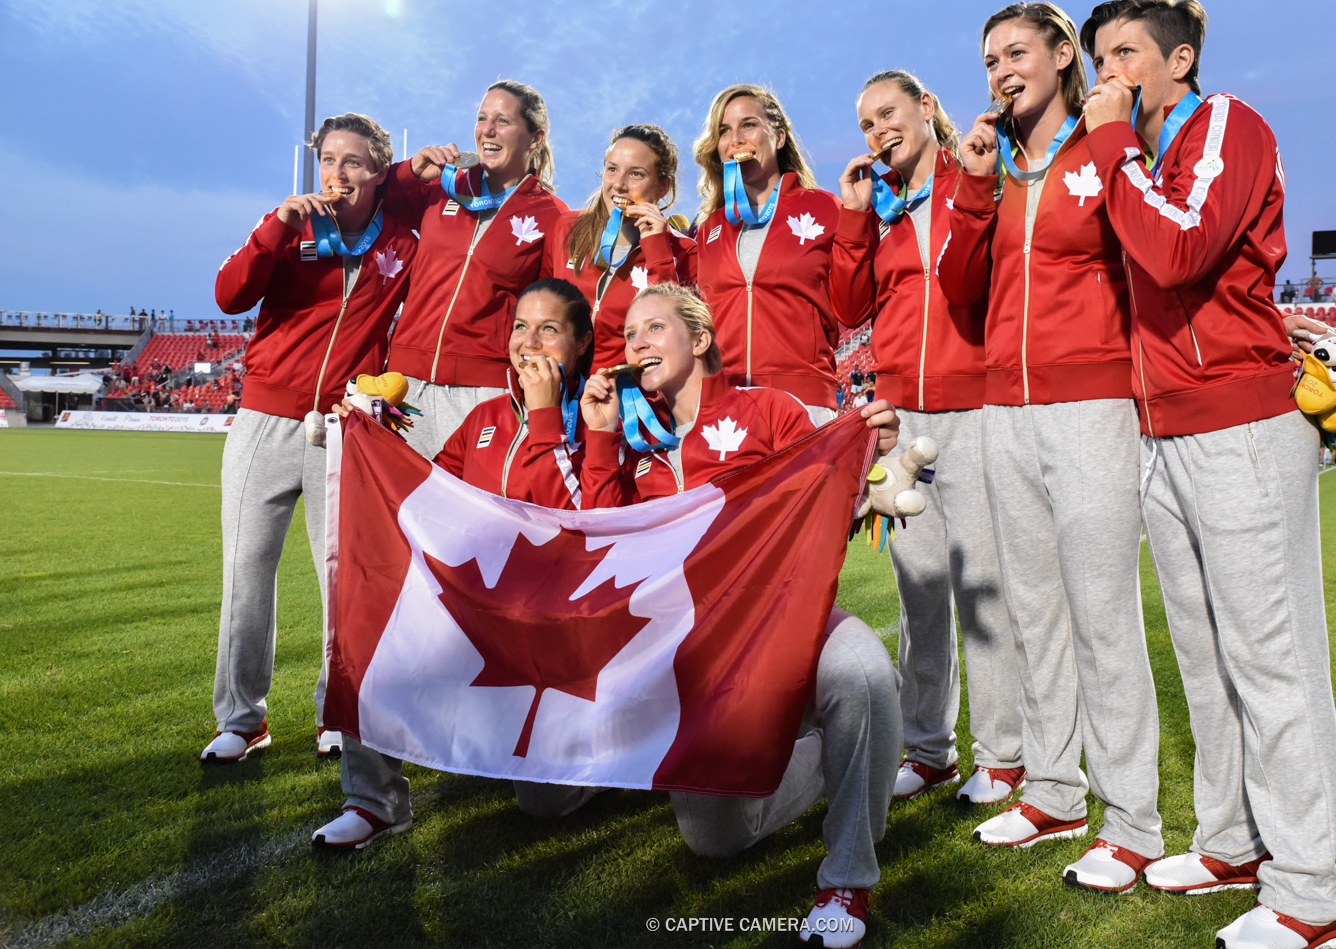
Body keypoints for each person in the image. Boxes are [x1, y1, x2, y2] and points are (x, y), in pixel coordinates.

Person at [1081, 0, 1336, 947]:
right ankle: (1235, 840)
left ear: (1180, 59)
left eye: (1124, 52)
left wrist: (1111, 148)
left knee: (1272, 664)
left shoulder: (1228, 123)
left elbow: (1180, 251)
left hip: (1239, 423)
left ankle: (1314, 893)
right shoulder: (1140, 157)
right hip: (1161, 431)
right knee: (1205, 660)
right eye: (1100, 57)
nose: (1108, 71)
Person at [570, 283, 899, 947]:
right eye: (630, 334)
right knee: (714, 839)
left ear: (699, 339)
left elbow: (830, 491)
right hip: (699, 659)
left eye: (655, 328)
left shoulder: (767, 408)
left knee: (862, 670)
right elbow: (600, 543)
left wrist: (870, 447)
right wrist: (602, 439)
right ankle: (840, 758)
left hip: (787, 621)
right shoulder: (635, 443)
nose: (637, 343)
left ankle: (848, 877)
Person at [935, 0, 1168, 893]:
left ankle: (1136, 823)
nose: (1000, 71)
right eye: (989, 58)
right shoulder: (996, 165)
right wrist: (972, 187)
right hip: (1006, 409)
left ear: (1063, 53)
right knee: (1033, 610)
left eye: (1017, 52)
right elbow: (960, 288)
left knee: (1102, 614)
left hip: (1093, 407)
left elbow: (1147, 256)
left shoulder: (1104, 144)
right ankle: (1055, 791)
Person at [314, 278, 596, 850]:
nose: (529, 343)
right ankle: (374, 802)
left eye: (549, 330)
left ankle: (615, 765)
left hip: (555, 632)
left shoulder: (601, 416)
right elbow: (430, 499)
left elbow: (585, 522)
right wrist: (376, 435)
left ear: (583, 342)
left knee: (542, 803)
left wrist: (545, 421)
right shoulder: (485, 418)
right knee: (376, 624)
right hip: (479, 615)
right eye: (521, 327)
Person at [829, 69, 1025, 809]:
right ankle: (931, 748)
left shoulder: (975, 173)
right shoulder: (877, 208)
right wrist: (853, 219)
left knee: (983, 590)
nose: (879, 131)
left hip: (972, 407)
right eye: (866, 123)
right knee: (919, 593)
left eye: (889, 113)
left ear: (927, 108)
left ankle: (1006, 754)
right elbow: (849, 308)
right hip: (900, 419)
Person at [202, 113, 417, 764]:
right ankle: (242, 718)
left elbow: (424, 189)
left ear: (378, 172)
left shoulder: (402, 240)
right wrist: (276, 228)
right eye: (328, 159)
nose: (336, 173)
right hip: (264, 419)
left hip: (342, 427)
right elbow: (228, 295)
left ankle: (336, 710)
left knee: (340, 582)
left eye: (353, 161)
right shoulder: (291, 228)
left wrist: (408, 174)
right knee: (245, 573)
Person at [384, 79, 570, 458]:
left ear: (535, 138)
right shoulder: (442, 187)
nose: (487, 129)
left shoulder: (553, 216)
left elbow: (554, 307)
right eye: (482, 118)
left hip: (482, 392)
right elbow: (372, 200)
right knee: (391, 512)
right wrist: (410, 171)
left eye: (502, 121)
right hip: (402, 384)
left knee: (467, 516)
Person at [691, 85, 842, 423]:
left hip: (804, 401)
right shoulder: (709, 228)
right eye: (724, 131)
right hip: (725, 408)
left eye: (749, 125)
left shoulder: (824, 207)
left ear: (779, 136)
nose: (736, 139)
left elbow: (852, 302)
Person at [543, 124, 696, 369]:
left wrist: (658, 249)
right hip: (560, 392)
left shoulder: (685, 251)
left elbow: (673, 333)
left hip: (630, 398)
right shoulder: (565, 229)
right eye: (612, 169)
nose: (619, 185)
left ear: (663, 186)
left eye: (636, 174)